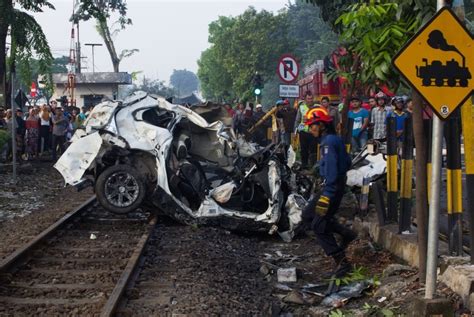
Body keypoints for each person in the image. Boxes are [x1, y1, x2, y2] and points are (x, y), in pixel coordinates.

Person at [302, 112, 356, 277]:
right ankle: (346, 233)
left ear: (321, 125)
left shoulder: (328, 143)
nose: (310, 130)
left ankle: (342, 262)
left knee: (318, 225)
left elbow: (333, 169)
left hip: (331, 189)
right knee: (307, 215)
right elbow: (347, 162)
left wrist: (327, 194)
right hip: (332, 187)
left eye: (312, 126)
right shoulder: (332, 140)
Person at [295, 91, 318, 169]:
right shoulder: (301, 107)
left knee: (313, 149)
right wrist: (296, 130)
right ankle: (304, 165)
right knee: (303, 149)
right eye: (308, 98)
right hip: (303, 132)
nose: (310, 100)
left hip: (314, 132)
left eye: (311, 98)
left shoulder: (317, 107)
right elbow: (297, 120)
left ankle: (313, 165)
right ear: (305, 99)